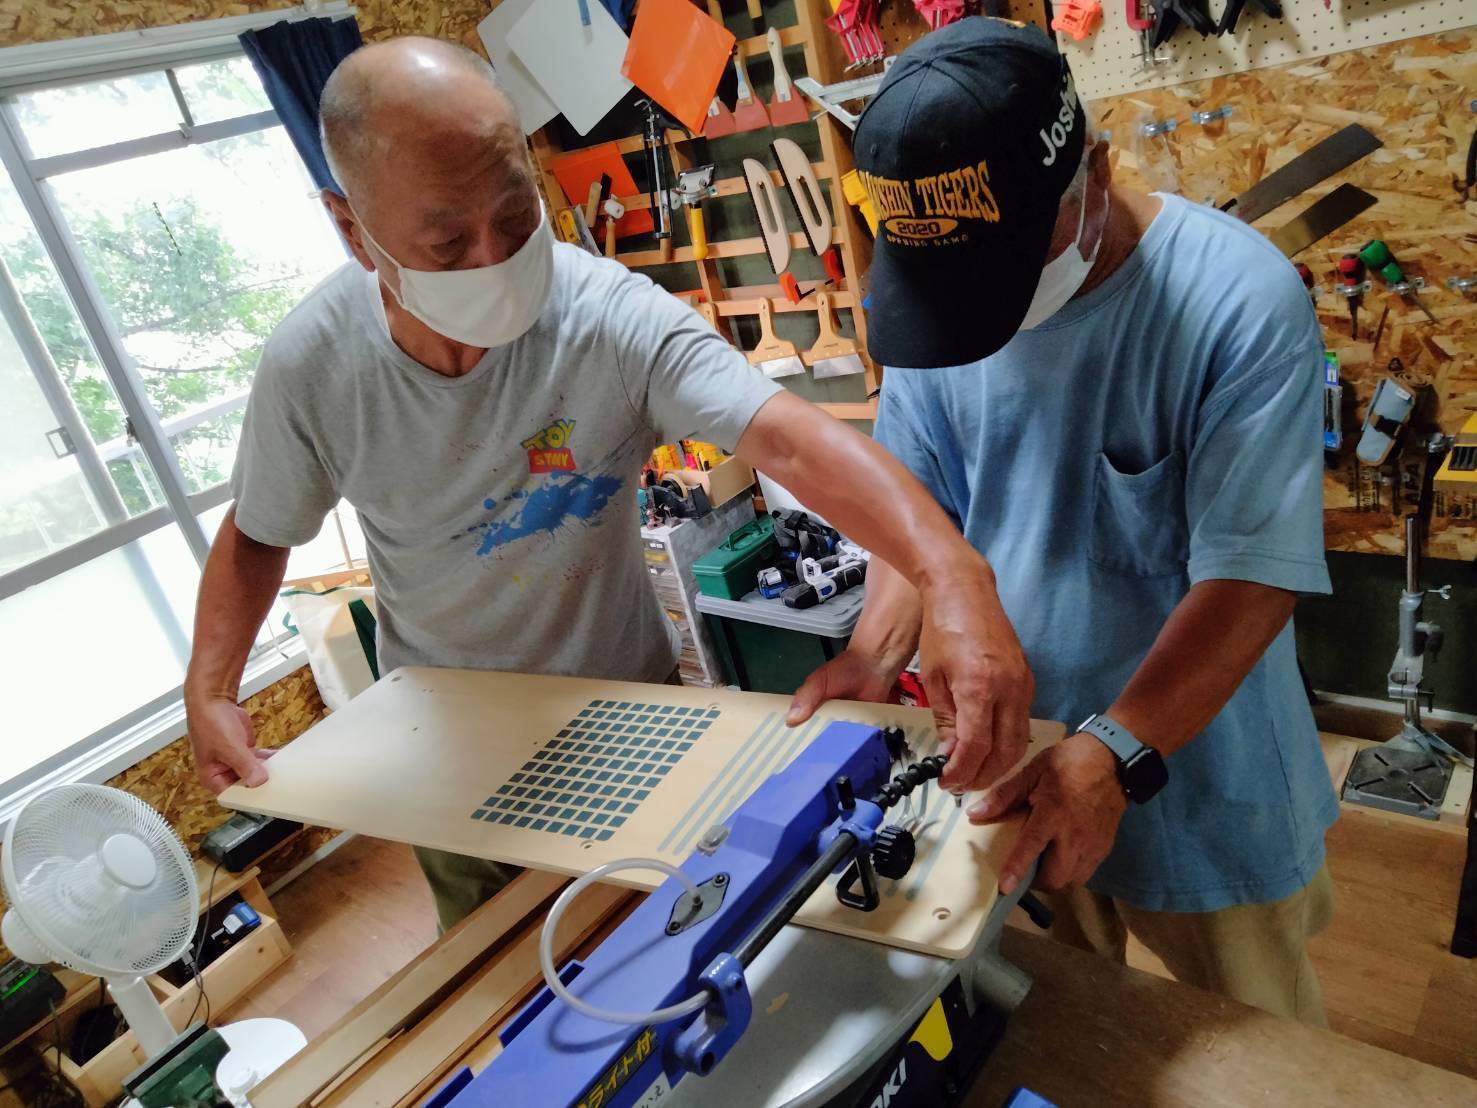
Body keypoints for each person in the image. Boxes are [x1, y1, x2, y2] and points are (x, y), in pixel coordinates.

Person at [184, 36, 1033, 932]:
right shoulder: (312, 365)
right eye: (446, 242)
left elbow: (789, 441)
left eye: (516, 216)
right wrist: (212, 688)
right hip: (444, 731)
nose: (494, 258)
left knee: (673, 933)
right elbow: (260, 531)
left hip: (629, 705)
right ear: (353, 229)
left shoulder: (606, 316)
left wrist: (951, 575)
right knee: (496, 962)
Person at [788, 18, 1338, 1024]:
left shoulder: (1236, 300)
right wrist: (873, 653)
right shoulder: (942, 306)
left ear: (1095, 168)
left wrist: (1115, 751)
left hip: (1200, 773)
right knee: (1056, 1032)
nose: (981, 308)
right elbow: (921, 514)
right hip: (1013, 758)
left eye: (1005, 260)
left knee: (1255, 1047)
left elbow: (1252, 578)